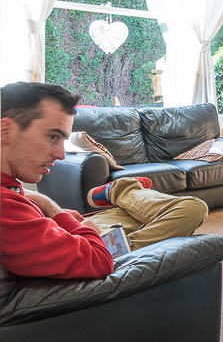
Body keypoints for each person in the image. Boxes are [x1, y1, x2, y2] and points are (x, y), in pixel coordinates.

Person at [0, 82, 208, 279]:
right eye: (53, 136)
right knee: (191, 208)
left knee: (178, 209)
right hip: (91, 242)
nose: (61, 155)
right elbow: (99, 259)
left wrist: (57, 212)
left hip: (76, 229)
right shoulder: (6, 208)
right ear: (5, 131)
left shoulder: (9, 191)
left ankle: (122, 193)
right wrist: (54, 210)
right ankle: (121, 191)